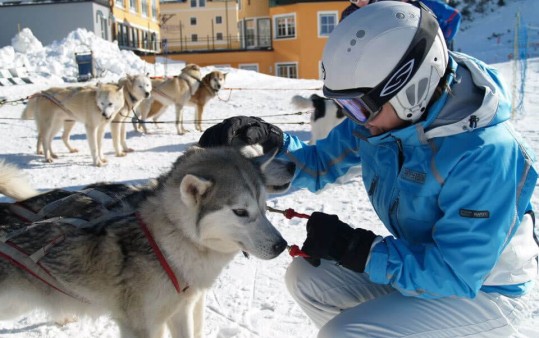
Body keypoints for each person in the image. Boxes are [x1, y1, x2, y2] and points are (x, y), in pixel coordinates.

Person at [199, 1, 538, 336]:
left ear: (412, 88)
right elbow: (319, 164)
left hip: (485, 292)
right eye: (345, 105)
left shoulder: (485, 152)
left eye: (357, 106)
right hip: (429, 268)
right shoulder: (384, 119)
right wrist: (266, 144)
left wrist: (360, 250)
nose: (354, 119)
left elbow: (457, 272)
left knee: (346, 333)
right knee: (308, 277)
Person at [342, 0, 462, 50]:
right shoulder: (392, 6)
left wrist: (445, 40)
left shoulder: (425, 2)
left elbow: (455, 16)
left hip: (438, 44)